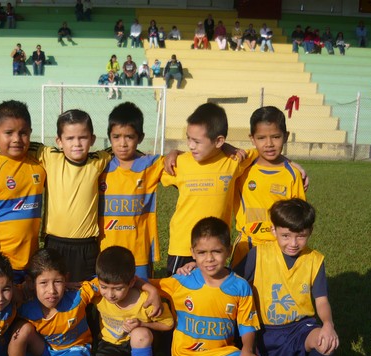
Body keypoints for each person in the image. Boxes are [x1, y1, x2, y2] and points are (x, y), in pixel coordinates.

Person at [3, 248, 162, 356]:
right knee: (21, 330)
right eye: (43, 283)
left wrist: (151, 289)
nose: (51, 290)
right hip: (42, 347)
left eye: (57, 282)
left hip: (71, 349)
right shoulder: (24, 299)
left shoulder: (80, 294)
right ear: (31, 283)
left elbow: (118, 280)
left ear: (67, 279)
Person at [153, 217, 263, 356]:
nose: (209, 259)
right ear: (193, 253)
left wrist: (247, 350)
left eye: (216, 251)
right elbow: (147, 284)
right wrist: (150, 291)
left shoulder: (240, 286)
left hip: (223, 354)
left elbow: (247, 325)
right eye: (202, 253)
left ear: (228, 251)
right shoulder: (182, 281)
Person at [238, 199, 339, 356]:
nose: (293, 243)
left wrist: (328, 324)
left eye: (300, 236)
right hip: (266, 331)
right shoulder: (258, 253)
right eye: (285, 236)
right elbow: (230, 283)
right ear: (273, 230)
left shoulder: (315, 260)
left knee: (326, 343)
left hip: (300, 326)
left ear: (310, 231)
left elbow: (321, 300)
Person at [160, 103, 256, 275]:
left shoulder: (233, 161)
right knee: (177, 288)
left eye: (197, 141)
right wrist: (173, 152)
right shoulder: (179, 163)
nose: (190, 145)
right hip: (183, 245)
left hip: (215, 247)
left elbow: (265, 150)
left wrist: (291, 164)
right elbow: (148, 167)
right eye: (188, 139)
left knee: (213, 287)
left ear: (219, 141)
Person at [28, 110, 111, 282]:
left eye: (83, 137)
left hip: (86, 245)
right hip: (55, 243)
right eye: (70, 138)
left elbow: (121, 149)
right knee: (54, 290)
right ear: (59, 141)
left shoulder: (98, 160)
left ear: (92, 139)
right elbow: (20, 144)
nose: (77, 143)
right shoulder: (50, 157)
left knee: (84, 291)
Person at [93, 246, 174, 356]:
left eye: (118, 288)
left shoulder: (147, 301)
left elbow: (168, 324)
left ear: (131, 283)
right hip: (111, 344)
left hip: (140, 343)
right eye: (104, 287)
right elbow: (79, 288)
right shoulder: (97, 293)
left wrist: (143, 324)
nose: (110, 294)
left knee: (140, 334)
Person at [0, 101, 46, 279]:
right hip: (1, 264)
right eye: (9, 133)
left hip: (33, 264)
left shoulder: (39, 165)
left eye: (23, 133)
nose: (17, 139)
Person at [232, 106, 305, 267]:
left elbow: (298, 218)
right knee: (239, 284)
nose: (269, 144)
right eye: (261, 138)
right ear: (252, 139)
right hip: (247, 244)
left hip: (280, 247)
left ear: (286, 136)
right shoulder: (242, 168)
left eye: (276, 137)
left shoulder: (292, 174)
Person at [99, 102, 164, 279]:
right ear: (109, 137)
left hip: (139, 252)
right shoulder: (100, 166)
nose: (122, 143)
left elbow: (180, 162)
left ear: (140, 138)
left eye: (129, 137)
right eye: (116, 137)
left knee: (141, 293)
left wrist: (174, 153)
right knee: (109, 292)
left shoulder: (151, 165)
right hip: (106, 251)